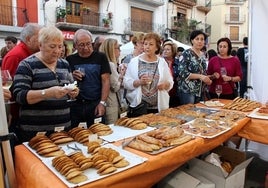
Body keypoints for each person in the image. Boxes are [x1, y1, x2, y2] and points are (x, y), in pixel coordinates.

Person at [12, 26, 79, 142]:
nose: (57, 51)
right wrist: (47, 93)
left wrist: (74, 92)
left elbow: (71, 85)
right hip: (35, 133)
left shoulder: (64, 64)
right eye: (52, 46)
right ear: (40, 45)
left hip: (62, 129)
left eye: (60, 46)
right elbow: (19, 96)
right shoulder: (27, 65)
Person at [1, 23, 42, 140]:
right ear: (29, 39)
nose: (43, 40)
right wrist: (11, 114)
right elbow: (7, 86)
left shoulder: (31, 54)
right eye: (40, 37)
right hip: (18, 114)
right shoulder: (15, 56)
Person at [66, 29, 111, 127]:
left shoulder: (101, 57)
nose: (86, 47)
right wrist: (72, 76)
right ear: (75, 45)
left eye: (88, 44)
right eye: (82, 45)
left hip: (95, 104)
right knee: (75, 134)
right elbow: (66, 81)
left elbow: (106, 81)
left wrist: (102, 103)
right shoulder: (70, 59)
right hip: (76, 105)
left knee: (98, 133)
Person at [123, 32, 173, 115]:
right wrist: (139, 82)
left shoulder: (162, 62)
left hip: (158, 107)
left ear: (157, 47)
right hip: (139, 107)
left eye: (151, 44)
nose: (147, 47)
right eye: (145, 44)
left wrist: (164, 85)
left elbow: (170, 82)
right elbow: (126, 82)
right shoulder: (134, 61)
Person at [176, 30, 212, 105]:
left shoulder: (203, 55)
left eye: (202, 39)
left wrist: (207, 79)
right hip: (188, 91)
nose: (200, 41)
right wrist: (200, 76)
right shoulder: (186, 54)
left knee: (199, 114)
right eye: (197, 39)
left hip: (200, 91)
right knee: (189, 114)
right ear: (192, 40)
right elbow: (182, 73)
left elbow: (203, 72)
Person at [99, 38, 122, 124]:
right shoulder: (110, 65)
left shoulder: (105, 63)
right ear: (111, 49)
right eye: (117, 48)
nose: (119, 51)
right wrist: (121, 76)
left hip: (107, 103)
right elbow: (115, 87)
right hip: (111, 104)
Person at [162, 40, 180, 107]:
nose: (165, 51)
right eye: (164, 49)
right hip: (163, 92)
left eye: (168, 49)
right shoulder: (160, 62)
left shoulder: (178, 63)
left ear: (173, 51)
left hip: (175, 92)